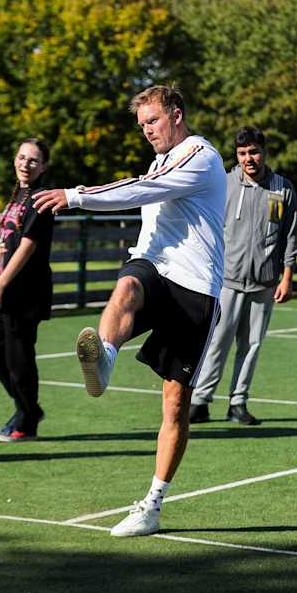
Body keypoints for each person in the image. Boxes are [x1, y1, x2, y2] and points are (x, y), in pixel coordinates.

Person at [32, 85, 225, 537]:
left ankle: (152, 505)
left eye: (152, 121)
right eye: (141, 125)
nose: (147, 131)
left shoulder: (200, 156)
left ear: (177, 114)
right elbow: (146, 189)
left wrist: (76, 195)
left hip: (195, 289)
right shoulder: (161, 161)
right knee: (128, 284)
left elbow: (141, 189)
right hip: (155, 268)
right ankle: (103, 358)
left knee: (174, 404)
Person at [189, 126, 297, 425]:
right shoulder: (223, 184)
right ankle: (200, 401)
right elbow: (207, 230)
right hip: (227, 280)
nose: (248, 158)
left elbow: (290, 235)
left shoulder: (282, 189)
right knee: (217, 342)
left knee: (251, 346)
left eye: (253, 152)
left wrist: (286, 276)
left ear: (264, 152)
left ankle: (238, 402)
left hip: (265, 282)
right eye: (242, 153)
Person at [0, 138, 56, 443]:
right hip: (6, 289)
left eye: (33, 160)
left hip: (26, 292)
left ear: (43, 167)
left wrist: (0, 283)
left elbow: (27, 246)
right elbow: (5, 241)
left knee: (19, 359)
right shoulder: (17, 195)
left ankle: (27, 420)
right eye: (22, 158)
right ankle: (28, 409)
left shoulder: (40, 199)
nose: (25, 164)